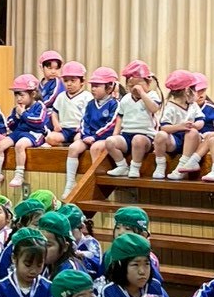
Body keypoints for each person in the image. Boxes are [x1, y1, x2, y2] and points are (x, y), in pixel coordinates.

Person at [63, 66, 119, 198]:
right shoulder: (90, 104)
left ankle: (94, 182)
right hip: (89, 136)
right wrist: (86, 135)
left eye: (97, 86)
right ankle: (70, 183)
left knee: (96, 148)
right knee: (73, 147)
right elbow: (84, 121)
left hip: (104, 138)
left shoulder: (115, 104)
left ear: (109, 87)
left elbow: (111, 124)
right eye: (92, 85)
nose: (93, 89)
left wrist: (95, 136)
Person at [0, 74, 49, 191]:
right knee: (0, 145)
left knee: (20, 145)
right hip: (18, 132)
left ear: (33, 94)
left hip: (34, 133)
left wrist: (23, 114)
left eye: (21, 95)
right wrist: (16, 116)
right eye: (16, 95)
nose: (18, 98)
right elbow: (10, 124)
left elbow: (38, 122)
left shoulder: (39, 106)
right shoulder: (17, 108)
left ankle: (19, 175)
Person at [106, 62, 162, 179]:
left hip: (146, 137)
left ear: (149, 82)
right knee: (110, 142)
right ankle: (122, 166)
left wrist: (142, 94)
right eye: (131, 86)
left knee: (138, 140)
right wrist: (116, 133)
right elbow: (120, 116)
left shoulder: (152, 95)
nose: (135, 90)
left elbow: (154, 108)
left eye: (138, 86)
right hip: (127, 135)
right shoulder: (126, 98)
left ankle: (135, 167)